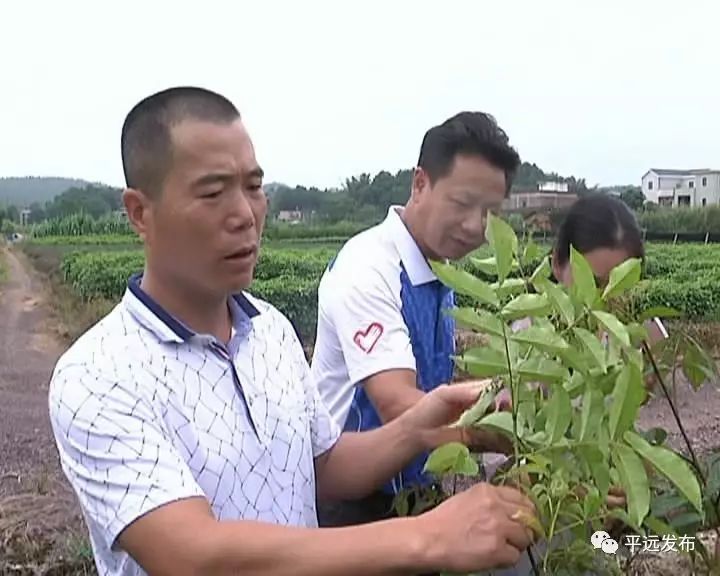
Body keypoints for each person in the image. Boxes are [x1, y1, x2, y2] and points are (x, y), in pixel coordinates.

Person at [47, 87, 537, 576]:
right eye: (213, 192)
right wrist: (427, 536)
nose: (245, 215)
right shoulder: (97, 375)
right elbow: (194, 556)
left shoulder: (271, 332)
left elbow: (322, 466)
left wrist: (427, 426)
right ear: (139, 212)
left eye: (254, 187)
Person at [310, 111, 520, 529]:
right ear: (420, 183)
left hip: (414, 481)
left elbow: (435, 384)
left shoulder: (440, 268)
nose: (475, 227)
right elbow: (398, 404)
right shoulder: (369, 268)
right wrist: (498, 430)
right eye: (461, 204)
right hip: (351, 496)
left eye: (491, 214)